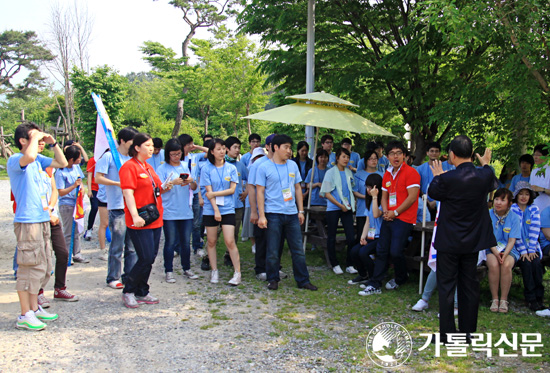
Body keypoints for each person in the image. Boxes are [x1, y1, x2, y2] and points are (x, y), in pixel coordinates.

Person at [427, 135, 497, 343]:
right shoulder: (483, 175)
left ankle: (447, 334)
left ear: (452, 154)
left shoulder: (447, 178)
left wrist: (438, 175)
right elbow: (491, 177)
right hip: (473, 241)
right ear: (471, 154)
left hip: (449, 241)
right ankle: (468, 333)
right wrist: (485, 163)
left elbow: (433, 193)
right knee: (469, 285)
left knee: (447, 287)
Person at [8, 122, 68, 330]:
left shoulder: (38, 161)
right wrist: (35, 137)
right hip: (27, 221)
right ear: (23, 141)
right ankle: (25, 314)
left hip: (41, 218)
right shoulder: (17, 159)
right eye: (35, 138)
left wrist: (53, 144)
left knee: (42, 267)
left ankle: (34, 309)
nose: (41, 141)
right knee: (28, 267)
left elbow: (61, 163)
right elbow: (30, 156)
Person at [256, 134, 317, 291]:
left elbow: (297, 188)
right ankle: (273, 278)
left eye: (290, 147)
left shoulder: (292, 166)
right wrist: (261, 215)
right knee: (273, 249)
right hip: (273, 213)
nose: (289, 151)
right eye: (286, 147)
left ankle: (303, 280)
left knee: (297, 249)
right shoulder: (264, 167)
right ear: (275, 148)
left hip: (291, 213)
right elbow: (260, 192)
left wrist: (301, 210)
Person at [360, 140, 420, 296]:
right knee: (381, 250)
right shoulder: (387, 173)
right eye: (392, 153)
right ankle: (375, 283)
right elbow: (384, 196)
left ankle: (401, 277)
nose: (396, 156)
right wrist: (386, 211)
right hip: (389, 217)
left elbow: (412, 198)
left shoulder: (411, 173)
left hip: (404, 218)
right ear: (387, 156)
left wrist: (396, 212)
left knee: (395, 251)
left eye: (399, 153)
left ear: (404, 156)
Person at [119, 133, 170, 308]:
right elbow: (128, 193)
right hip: (140, 219)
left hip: (154, 218)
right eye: (147, 145)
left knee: (150, 257)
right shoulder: (129, 167)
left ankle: (142, 290)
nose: (151, 148)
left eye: (151, 145)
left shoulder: (148, 167)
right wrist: (134, 215)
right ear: (137, 148)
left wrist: (166, 187)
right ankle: (129, 290)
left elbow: (155, 190)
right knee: (145, 257)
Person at [36, 139, 79, 307]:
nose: (41, 144)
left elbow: (54, 190)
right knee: (42, 257)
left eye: (42, 142)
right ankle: (38, 292)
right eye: (38, 141)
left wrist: (51, 208)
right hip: (37, 218)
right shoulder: (22, 163)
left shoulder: (46, 164)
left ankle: (59, 288)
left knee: (62, 252)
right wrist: (45, 212)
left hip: (52, 215)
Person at [95, 127, 139, 289]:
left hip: (133, 207)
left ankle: (129, 276)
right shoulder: (109, 157)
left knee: (132, 247)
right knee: (117, 245)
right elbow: (98, 178)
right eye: (132, 142)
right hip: (117, 206)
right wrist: (118, 183)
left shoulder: (133, 159)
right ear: (122, 141)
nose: (135, 145)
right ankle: (113, 277)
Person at [156, 138, 199, 283]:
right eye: (173, 154)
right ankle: (168, 270)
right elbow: (158, 190)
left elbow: (194, 187)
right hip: (169, 211)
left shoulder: (184, 166)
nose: (176, 157)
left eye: (179, 154)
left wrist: (191, 181)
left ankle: (186, 268)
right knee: (170, 242)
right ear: (167, 154)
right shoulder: (162, 169)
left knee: (186, 242)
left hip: (185, 210)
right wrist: (171, 183)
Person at [200, 138, 242, 285]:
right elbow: (208, 192)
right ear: (212, 151)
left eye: (223, 148)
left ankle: (237, 273)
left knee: (229, 240)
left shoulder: (231, 168)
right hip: (210, 209)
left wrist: (215, 195)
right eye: (218, 149)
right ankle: (214, 270)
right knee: (211, 241)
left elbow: (232, 190)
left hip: (228, 208)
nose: (222, 151)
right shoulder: (206, 168)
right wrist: (216, 210)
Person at [320, 148, 357, 275]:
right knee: (331, 236)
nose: (346, 159)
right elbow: (326, 193)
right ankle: (334, 263)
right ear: (337, 158)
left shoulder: (348, 172)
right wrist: (339, 205)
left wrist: (349, 204)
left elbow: (351, 190)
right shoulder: (330, 172)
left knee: (351, 236)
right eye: (343, 156)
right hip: (334, 208)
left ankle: (350, 263)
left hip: (347, 207)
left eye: (347, 157)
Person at [511, 182, 545, 311]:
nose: (524, 197)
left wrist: (531, 250)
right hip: (518, 247)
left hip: (533, 247)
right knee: (526, 264)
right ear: (516, 195)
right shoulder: (513, 209)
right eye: (521, 194)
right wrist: (523, 251)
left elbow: (535, 230)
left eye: (526, 194)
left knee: (536, 263)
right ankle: (530, 298)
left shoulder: (534, 209)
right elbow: (515, 232)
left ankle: (539, 297)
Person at [486, 188, 521, 313]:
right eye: (496, 199)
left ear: (509, 203)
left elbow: (512, 240)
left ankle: (504, 300)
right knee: (493, 264)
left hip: (509, 249)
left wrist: (505, 254)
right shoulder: (488, 214)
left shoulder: (514, 217)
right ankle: (495, 299)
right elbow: (487, 236)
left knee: (506, 265)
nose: (498, 202)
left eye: (502, 200)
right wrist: (496, 252)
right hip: (491, 247)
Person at [55, 145, 88, 263]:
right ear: (71, 159)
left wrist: (82, 189)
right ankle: (67, 255)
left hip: (77, 203)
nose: (80, 160)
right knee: (68, 231)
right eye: (78, 158)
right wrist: (73, 186)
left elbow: (81, 181)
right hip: (67, 204)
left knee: (78, 230)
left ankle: (77, 254)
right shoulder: (60, 172)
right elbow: (60, 192)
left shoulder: (76, 167)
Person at [348, 173, 383, 285]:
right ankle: (363, 274)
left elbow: (376, 214)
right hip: (370, 236)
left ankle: (373, 277)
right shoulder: (369, 201)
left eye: (370, 187)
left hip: (380, 237)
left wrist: (375, 197)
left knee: (363, 253)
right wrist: (363, 237)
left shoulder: (381, 201)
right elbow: (368, 221)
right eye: (367, 187)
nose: (368, 190)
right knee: (354, 251)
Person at [178, 134, 208, 255]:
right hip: (181, 194)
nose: (190, 146)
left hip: (195, 193)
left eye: (192, 143)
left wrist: (197, 146)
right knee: (180, 222)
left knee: (196, 222)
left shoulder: (194, 157)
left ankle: (197, 246)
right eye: (188, 144)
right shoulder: (177, 159)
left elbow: (210, 152)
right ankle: (178, 247)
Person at [353, 149, 383, 243]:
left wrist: (375, 197)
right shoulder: (358, 174)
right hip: (363, 208)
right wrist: (368, 196)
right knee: (361, 235)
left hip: (378, 209)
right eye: (371, 159)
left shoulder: (383, 174)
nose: (373, 161)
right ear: (366, 161)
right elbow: (354, 191)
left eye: (375, 159)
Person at [241, 148, 265, 251]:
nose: (259, 159)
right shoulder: (251, 168)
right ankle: (253, 243)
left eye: (261, 156)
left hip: (263, 201)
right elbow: (248, 184)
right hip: (251, 200)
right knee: (251, 224)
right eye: (257, 157)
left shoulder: (266, 167)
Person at [529, 144, 550, 212]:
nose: (535, 157)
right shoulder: (534, 172)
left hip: (547, 208)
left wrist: (542, 189)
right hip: (534, 207)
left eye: (538, 155)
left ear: (546, 157)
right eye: (534, 155)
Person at [84, 156, 99, 243]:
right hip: (94, 188)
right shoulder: (93, 160)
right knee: (94, 208)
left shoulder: (109, 157)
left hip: (105, 188)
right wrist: (89, 190)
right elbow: (89, 175)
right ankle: (89, 229)